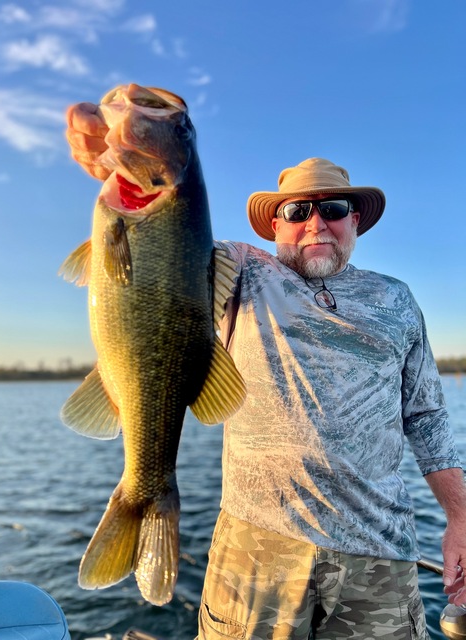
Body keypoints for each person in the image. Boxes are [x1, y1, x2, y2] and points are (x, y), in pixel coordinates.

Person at [66, 101, 466, 640]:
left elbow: (427, 419)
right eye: (298, 211)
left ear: (356, 221)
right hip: (257, 549)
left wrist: (459, 518)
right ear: (276, 223)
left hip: (382, 557)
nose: (316, 222)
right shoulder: (238, 271)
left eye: (334, 207)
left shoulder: (396, 299)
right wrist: (123, 161)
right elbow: (160, 246)